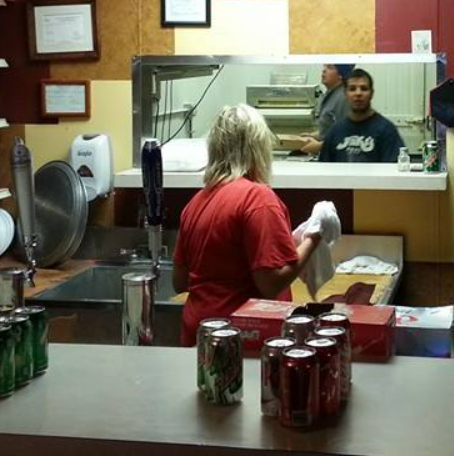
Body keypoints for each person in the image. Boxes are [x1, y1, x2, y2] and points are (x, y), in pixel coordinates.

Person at [172, 104, 323, 346]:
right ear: (258, 147)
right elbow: (271, 283)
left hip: (199, 335)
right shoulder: (259, 199)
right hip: (242, 338)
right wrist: (314, 237)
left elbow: (179, 282)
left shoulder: (195, 203)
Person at [317, 68, 403, 163]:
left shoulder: (386, 130)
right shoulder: (335, 132)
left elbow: (394, 172)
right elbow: (325, 170)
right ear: (345, 94)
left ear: (372, 94)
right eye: (352, 89)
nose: (358, 93)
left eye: (364, 88)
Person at [298, 63, 352, 156]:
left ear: (340, 75)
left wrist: (319, 146)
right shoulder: (330, 93)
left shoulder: (344, 97)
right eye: (324, 66)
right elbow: (331, 128)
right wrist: (313, 135)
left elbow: (346, 136)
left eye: (330, 67)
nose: (324, 70)